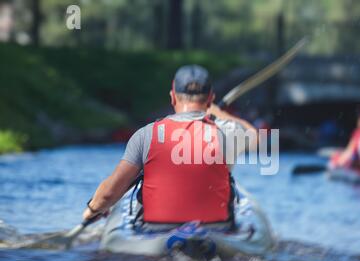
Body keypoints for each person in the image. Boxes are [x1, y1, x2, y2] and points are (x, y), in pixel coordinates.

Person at [82, 65, 258, 231]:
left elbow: (109, 194)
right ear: (211, 98)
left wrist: (93, 209)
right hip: (215, 230)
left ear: (173, 96)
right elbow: (255, 136)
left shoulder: (146, 135)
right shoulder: (227, 132)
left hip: (155, 232)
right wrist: (221, 114)